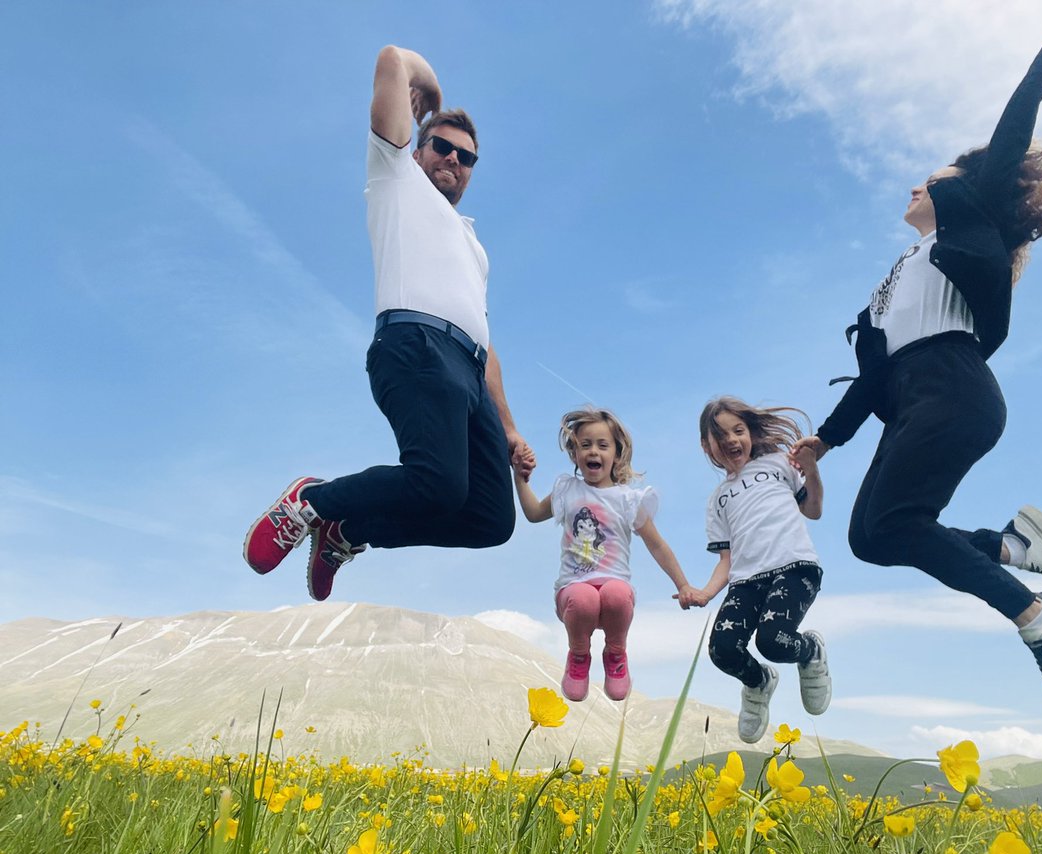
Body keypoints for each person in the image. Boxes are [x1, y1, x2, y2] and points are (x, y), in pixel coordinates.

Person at [793, 22, 1042, 707]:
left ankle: (1035, 614)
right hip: (912, 399)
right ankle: (1009, 544)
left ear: (961, 190)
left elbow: (1007, 147)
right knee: (872, 539)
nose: (914, 185)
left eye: (930, 178)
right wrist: (826, 438)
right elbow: (875, 375)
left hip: (955, 386)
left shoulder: (968, 234)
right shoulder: (898, 276)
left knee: (899, 523)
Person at [243, 46, 534, 600]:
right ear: (419, 149)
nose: (452, 159)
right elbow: (391, 60)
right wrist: (433, 94)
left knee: (491, 520)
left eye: (466, 157)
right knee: (439, 484)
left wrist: (510, 425)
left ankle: (350, 530)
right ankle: (314, 501)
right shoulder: (395, 178)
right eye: (442, 147)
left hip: (469, 368)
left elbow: (486, 344)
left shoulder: (474, 245)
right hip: (416, 343)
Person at [514, 409, 694, 702]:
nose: (593, 451)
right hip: (574, 591)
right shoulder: (567, 490)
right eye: (585, 445)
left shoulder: (628, 500)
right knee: (584, 598)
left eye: (602, 445)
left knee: (617, 593)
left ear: (616, 454)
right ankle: (579, 655)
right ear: (574, 454)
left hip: (614, 593)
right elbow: (534, 513)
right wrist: (520, 478)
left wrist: (683, 584)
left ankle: (615, 653)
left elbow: (657, 545)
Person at [679, 398, 829, 743]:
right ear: (707, 446)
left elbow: (814, 510)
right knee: (723, 649)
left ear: (750, 432)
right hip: (746, 582)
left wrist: (811, 469)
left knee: (773, 641)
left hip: (794, 567)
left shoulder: (780, 464)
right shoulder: (718, 499)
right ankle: (758, 682)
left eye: (738, 430)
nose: (731, 439)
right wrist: (704, 592)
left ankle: (810, 651)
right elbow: (726, 562)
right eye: (720, 435)